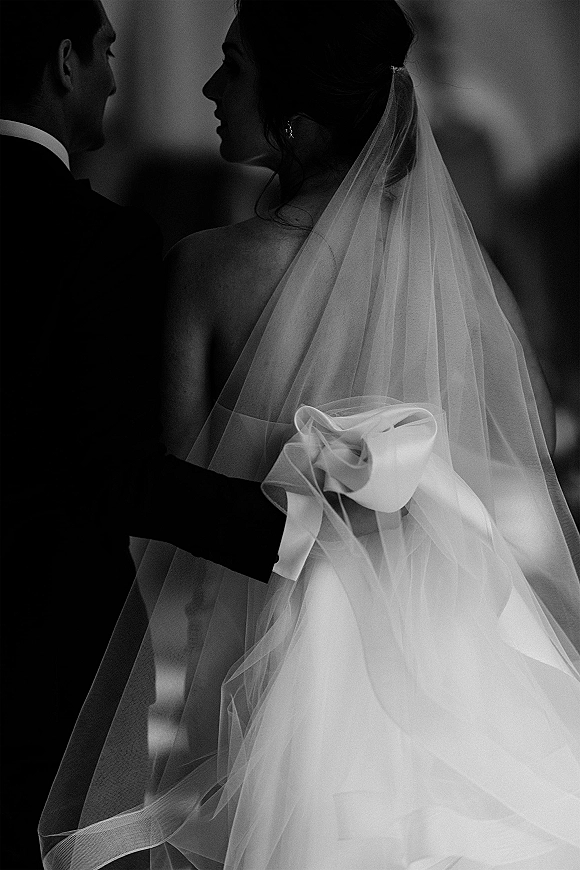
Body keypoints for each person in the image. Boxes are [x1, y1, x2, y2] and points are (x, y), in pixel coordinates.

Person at [40, 2, 580, 868]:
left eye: (234, 68)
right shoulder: (449, 279)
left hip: (262, 666)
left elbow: (161, 504)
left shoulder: (206, 270)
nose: (212, 88)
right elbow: (531, 432)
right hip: (445, 668)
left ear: (293, 120)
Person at [0, 1, 287, 866]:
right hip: (37, 650)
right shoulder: (100, 241)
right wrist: (292, 527)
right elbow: (119, 471)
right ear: (64, 62)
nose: (116, 79)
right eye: (107, 53)